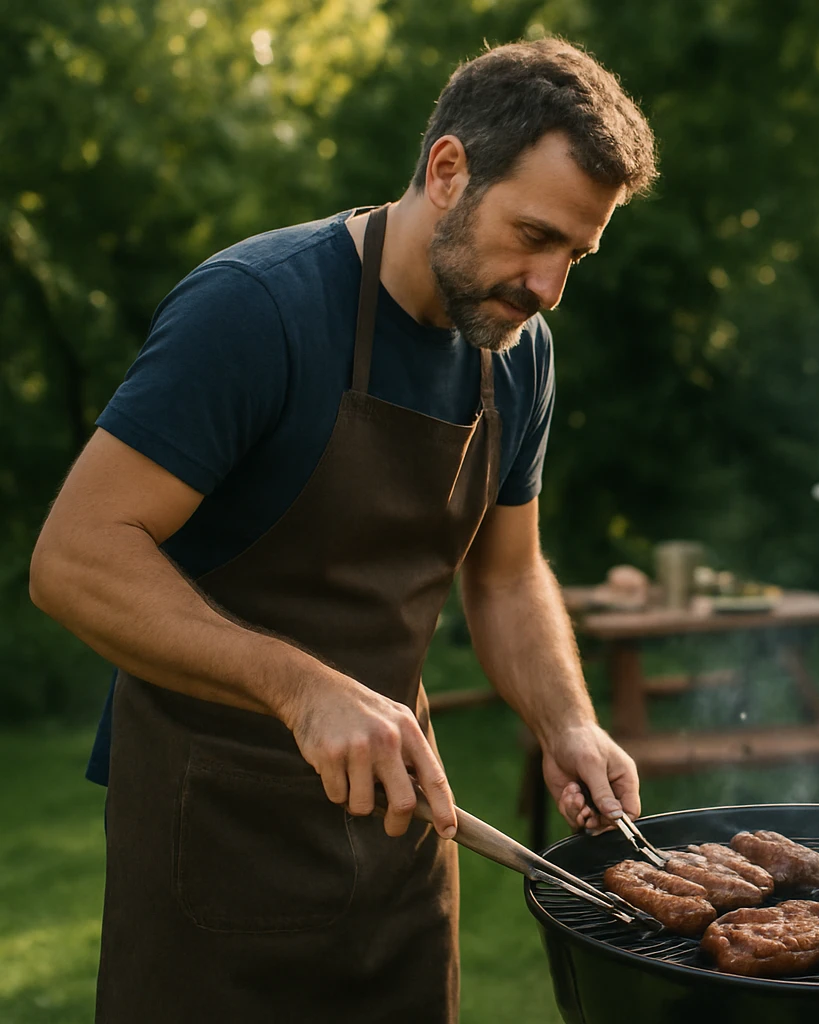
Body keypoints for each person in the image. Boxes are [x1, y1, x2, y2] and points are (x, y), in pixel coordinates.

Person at [27, 39, 656, 1023]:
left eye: (573, 254)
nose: (547, 287)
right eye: (533, 235)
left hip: (404, 832)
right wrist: (300, 685)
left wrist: (564, 721)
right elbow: (74, 558)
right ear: (447, 170)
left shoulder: (517, 352)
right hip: (215, 833)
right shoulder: (258, 309)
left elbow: (506, 575)